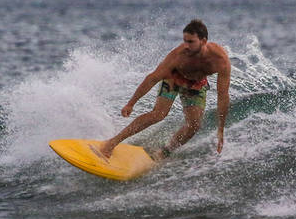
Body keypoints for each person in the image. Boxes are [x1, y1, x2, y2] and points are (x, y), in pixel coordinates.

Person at [97, 20, 231, 160]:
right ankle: (111, 143)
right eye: (185, 41)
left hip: (196, 85)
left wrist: (221, 128)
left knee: (194, 125)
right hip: (173, 78)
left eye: (191, 42)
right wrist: (131, 103)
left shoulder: (220, 61)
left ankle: (163, 153)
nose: (186, 45)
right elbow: (152, 78)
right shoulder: (178, 56)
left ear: (203, 41)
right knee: (159, 114)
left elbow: (223, 95)